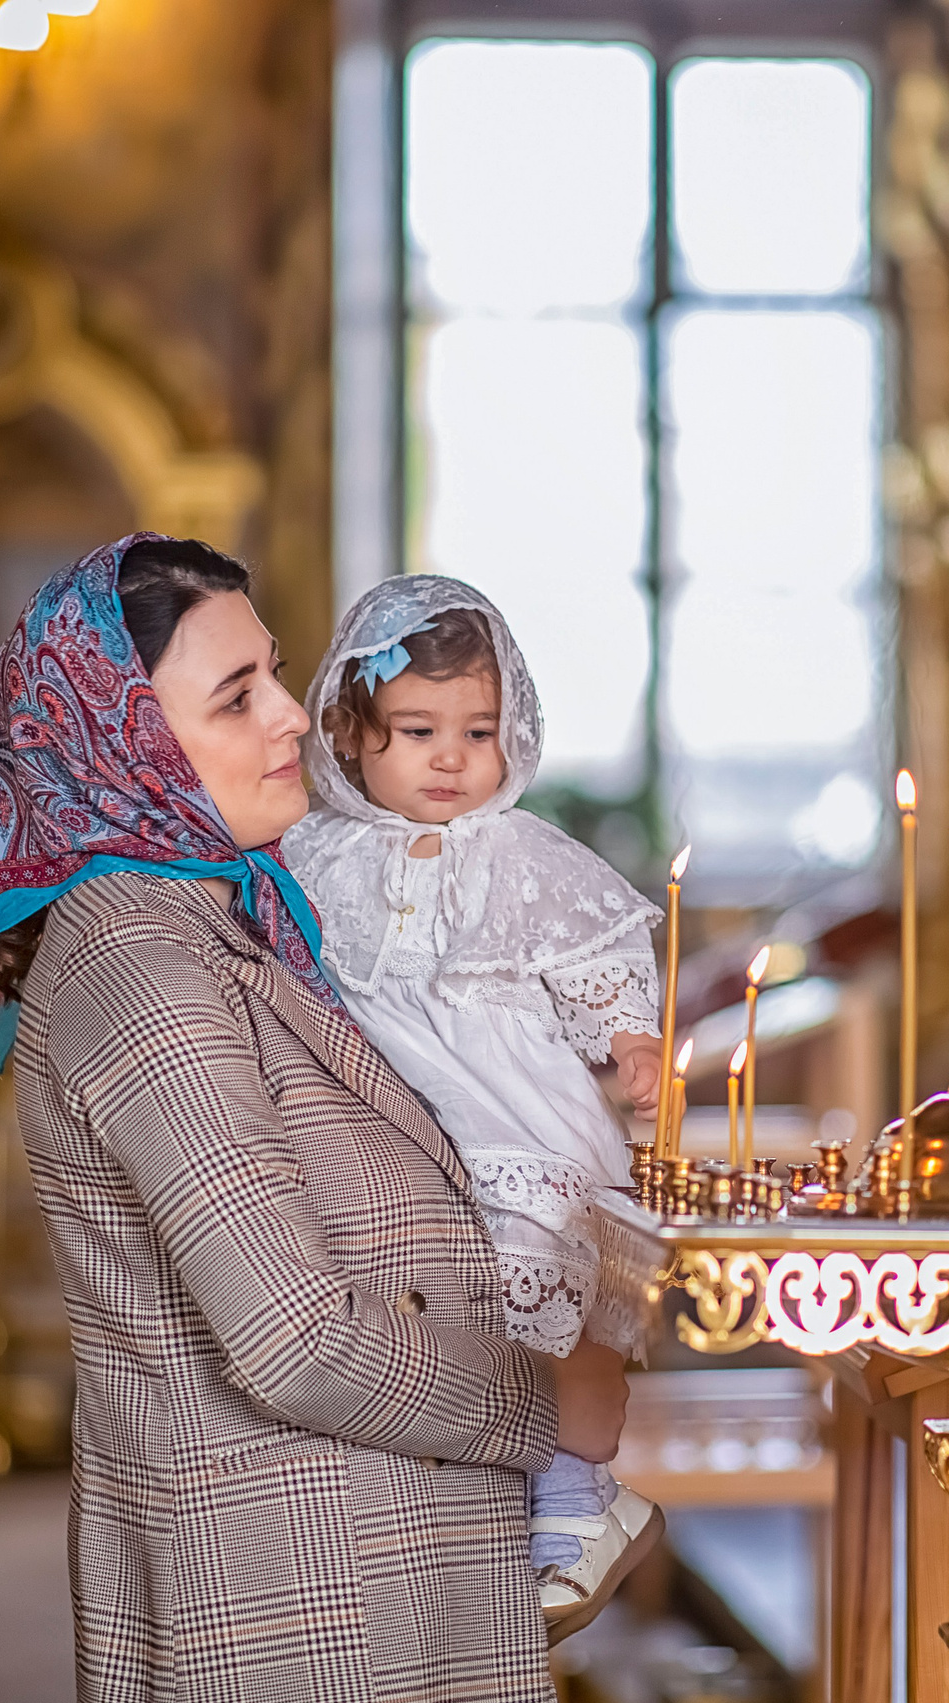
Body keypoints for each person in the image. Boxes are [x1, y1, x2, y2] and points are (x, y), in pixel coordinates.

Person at [0, 534, 628, 1703]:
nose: (291, 719)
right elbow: (293, 1340)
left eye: (276, 674)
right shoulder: (137, 963)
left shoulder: (231, 920)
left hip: (371, 1583)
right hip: (303, 1609)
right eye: (236, 695)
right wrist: (551, 1401)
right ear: (127, 743)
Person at [282, 575, 666, 1637]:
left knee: (552, 1268)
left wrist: (628, 1041)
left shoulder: (524, 855)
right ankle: (464, 1483)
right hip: (386, 1106)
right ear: (351, 734)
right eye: (416, 730)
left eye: (478, 730)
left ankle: (580, 1491)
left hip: (517, 1108)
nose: (451, 757)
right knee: (413, 1293)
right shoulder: (310, 857)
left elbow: (597, 952)